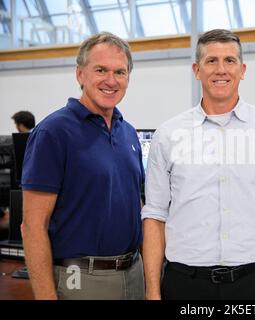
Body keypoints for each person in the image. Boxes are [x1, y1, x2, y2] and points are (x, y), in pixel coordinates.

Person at [141, 29, 255, 300]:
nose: (220, 69)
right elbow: (154, 216)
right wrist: (153, 291)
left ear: (243, 69)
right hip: (186, 284)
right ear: (196, 69)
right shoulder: (168, 134)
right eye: (211, 61)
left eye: (230, 61)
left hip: (254, 283)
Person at [21, 32, 145, 300]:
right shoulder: (53, 133)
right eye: (100, 70)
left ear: (128, 79)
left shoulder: (129, 134)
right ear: (80, 74)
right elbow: (32, 226)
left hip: (134, 274)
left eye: (120, 72)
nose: (111, 80)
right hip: (81, 281)